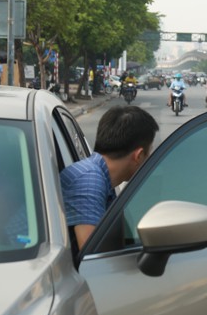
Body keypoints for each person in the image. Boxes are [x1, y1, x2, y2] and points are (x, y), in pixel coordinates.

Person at [59, 106, 159, 250]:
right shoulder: (89, 181)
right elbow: (92, 257)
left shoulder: (98, 176)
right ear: (138, 155)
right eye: (149, 153)